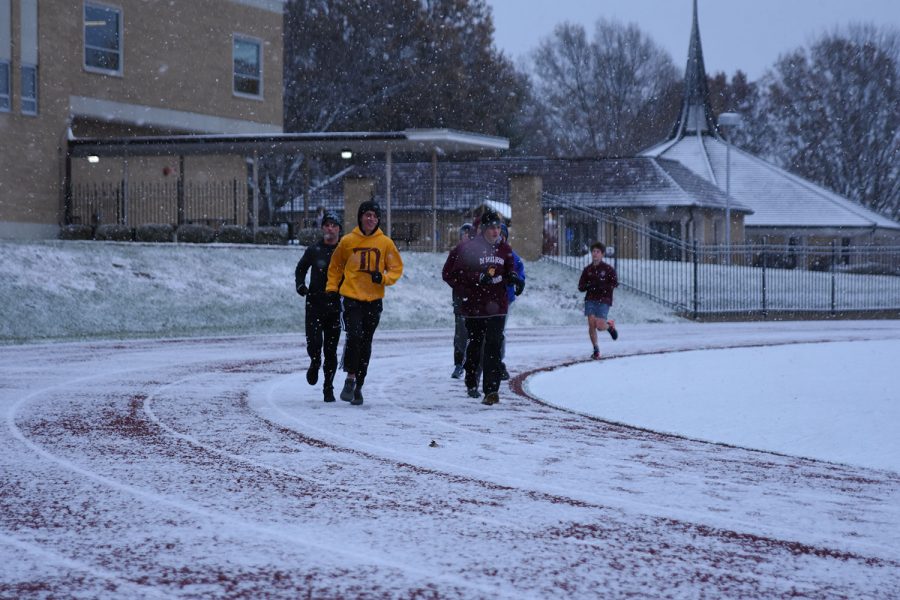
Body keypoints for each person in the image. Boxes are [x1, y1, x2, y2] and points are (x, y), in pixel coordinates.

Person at [442, 208, 524, 406]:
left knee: (494, 346)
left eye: (498, 228)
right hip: (475, 307)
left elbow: (510, 269)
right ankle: (471, 379)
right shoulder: (469, 249)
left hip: (498, 306)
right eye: (492, 228)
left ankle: (491, 390)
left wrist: (514, 279)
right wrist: (477, 279)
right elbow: (451, 274)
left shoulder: (505, 249)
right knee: (476, 346)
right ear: (483, 229)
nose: (496, 232)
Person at [326, 200, 403, 405]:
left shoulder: (385, 243)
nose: (370, 219)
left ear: (378, 220)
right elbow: (335, 267)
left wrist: (384, 278)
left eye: (374, 216)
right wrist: (332, 289)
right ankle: (350, 378)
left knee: (366, 342)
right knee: (354, 336)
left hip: (374, 299)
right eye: (367, 215)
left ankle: (359, 384)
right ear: (361, 217)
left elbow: (396, 268)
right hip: (351, 298)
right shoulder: (348, 241)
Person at [295, 211, 343, 402]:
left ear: (339, 229)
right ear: (323, 228)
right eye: (327, 225)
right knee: (314, 343)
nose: (330, 228)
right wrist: (300, 285)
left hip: (335, 305)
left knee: (331, 349)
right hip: (314, 303)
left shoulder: (344, 251)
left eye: (334, 225)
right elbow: (300, 269)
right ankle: (315, 362)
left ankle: (328, 387)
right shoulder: (314, 250)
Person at [578, 241, 619, 359]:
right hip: (590, 299)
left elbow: (615, 283)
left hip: (604, 299)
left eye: (598, 252)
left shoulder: (608, 269)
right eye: (593, 252)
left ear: (602, 254)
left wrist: (603, 285)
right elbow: (580, 287)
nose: (595, 254)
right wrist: (588, 286)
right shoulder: (588, 270)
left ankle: (609, 326)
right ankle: (596, 349)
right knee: (591, 323)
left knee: (600, 325)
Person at [497, 222, 525, 380]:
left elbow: (519, 270)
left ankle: (499, 361)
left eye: (502, 234)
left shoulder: (511, 256)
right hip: (486, 298)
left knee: (499, 331)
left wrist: (519, 281)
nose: (499, 236)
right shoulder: (486, 253)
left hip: (505, 299)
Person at [450, 223, 475, 379]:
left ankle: (473, 364)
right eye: (464, 234)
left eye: (469, 234)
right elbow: (447, 273)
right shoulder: (455, 253)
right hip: (460, 299)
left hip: (477, 300)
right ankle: (458, 364)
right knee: (460, 333)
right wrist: (458, 284)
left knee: (476, 334)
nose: (466, 236)